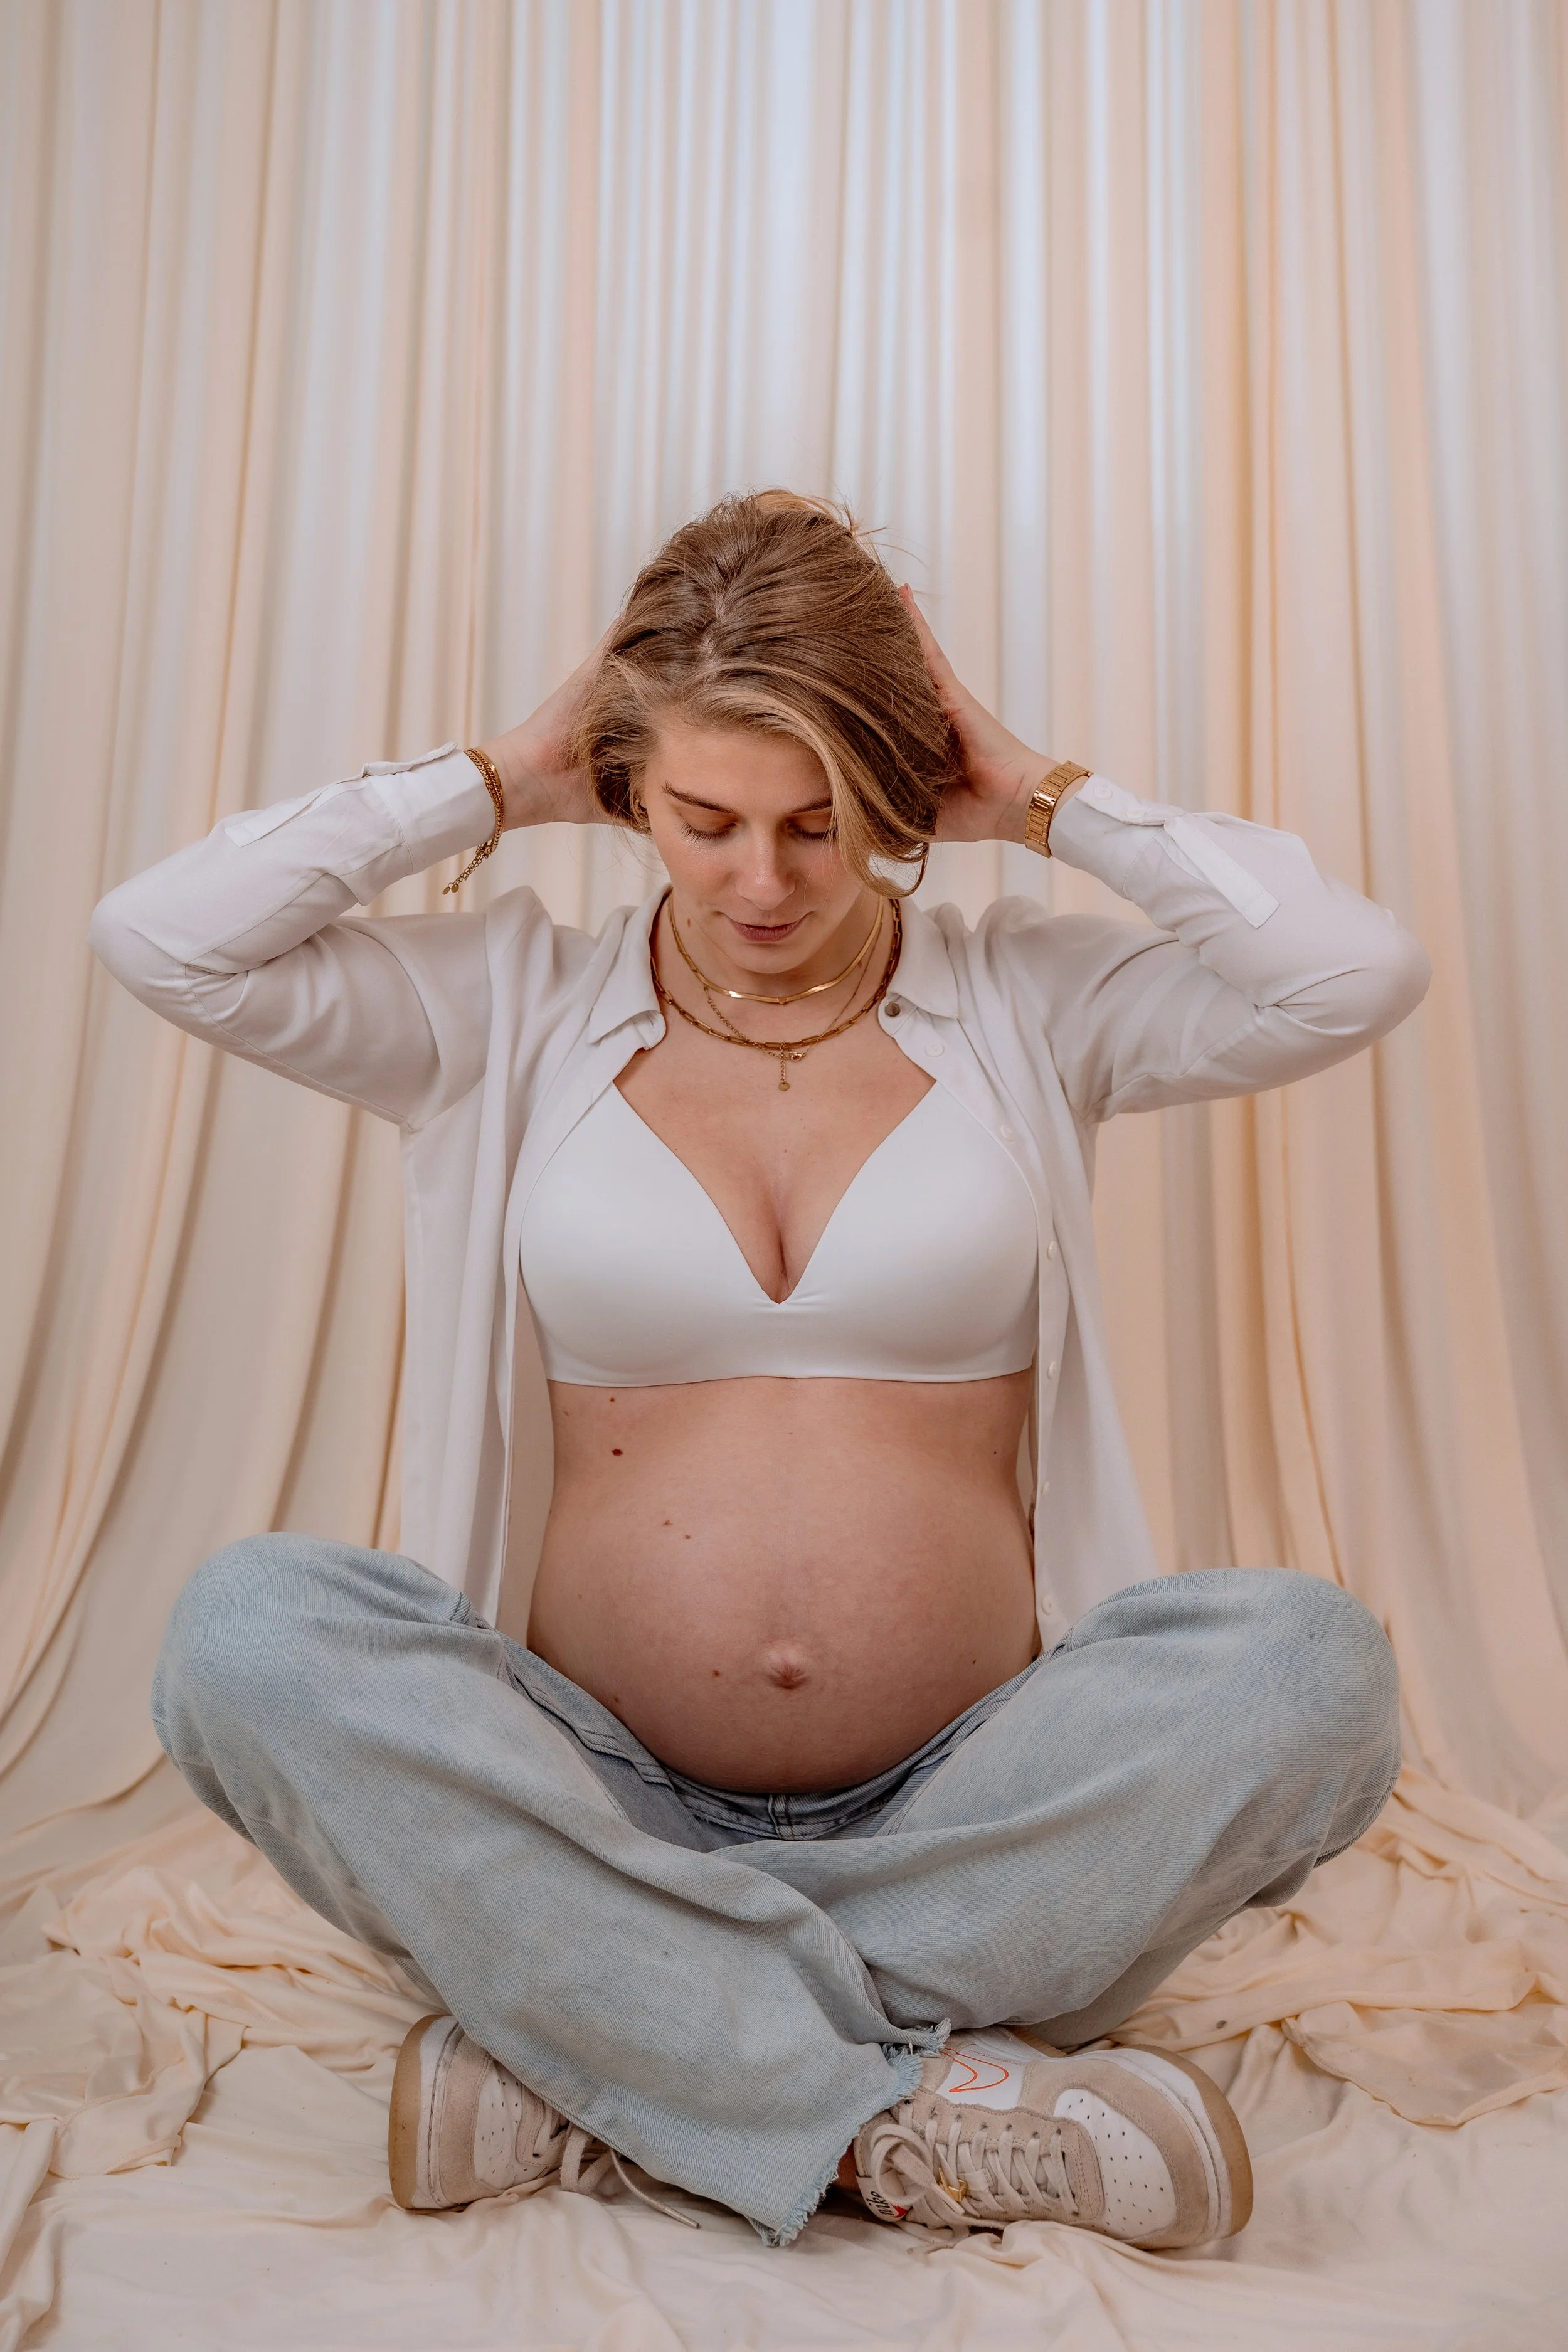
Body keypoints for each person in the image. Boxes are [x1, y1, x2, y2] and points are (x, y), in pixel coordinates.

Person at [90, 490, 1425, 2250]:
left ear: (892, 792)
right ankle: (881, 2103)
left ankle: (599, 2038)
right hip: (586, 1787)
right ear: (626, 785)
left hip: (973, 1789)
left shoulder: (1031, 1004)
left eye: (822, 821)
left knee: (1308, 1671)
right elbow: (162, 934)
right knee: (247, 1634)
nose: (764, 882)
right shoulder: (495, 1010)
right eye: (703, 819)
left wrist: (1041, 795)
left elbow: (1355, 969)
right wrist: (493, 773)